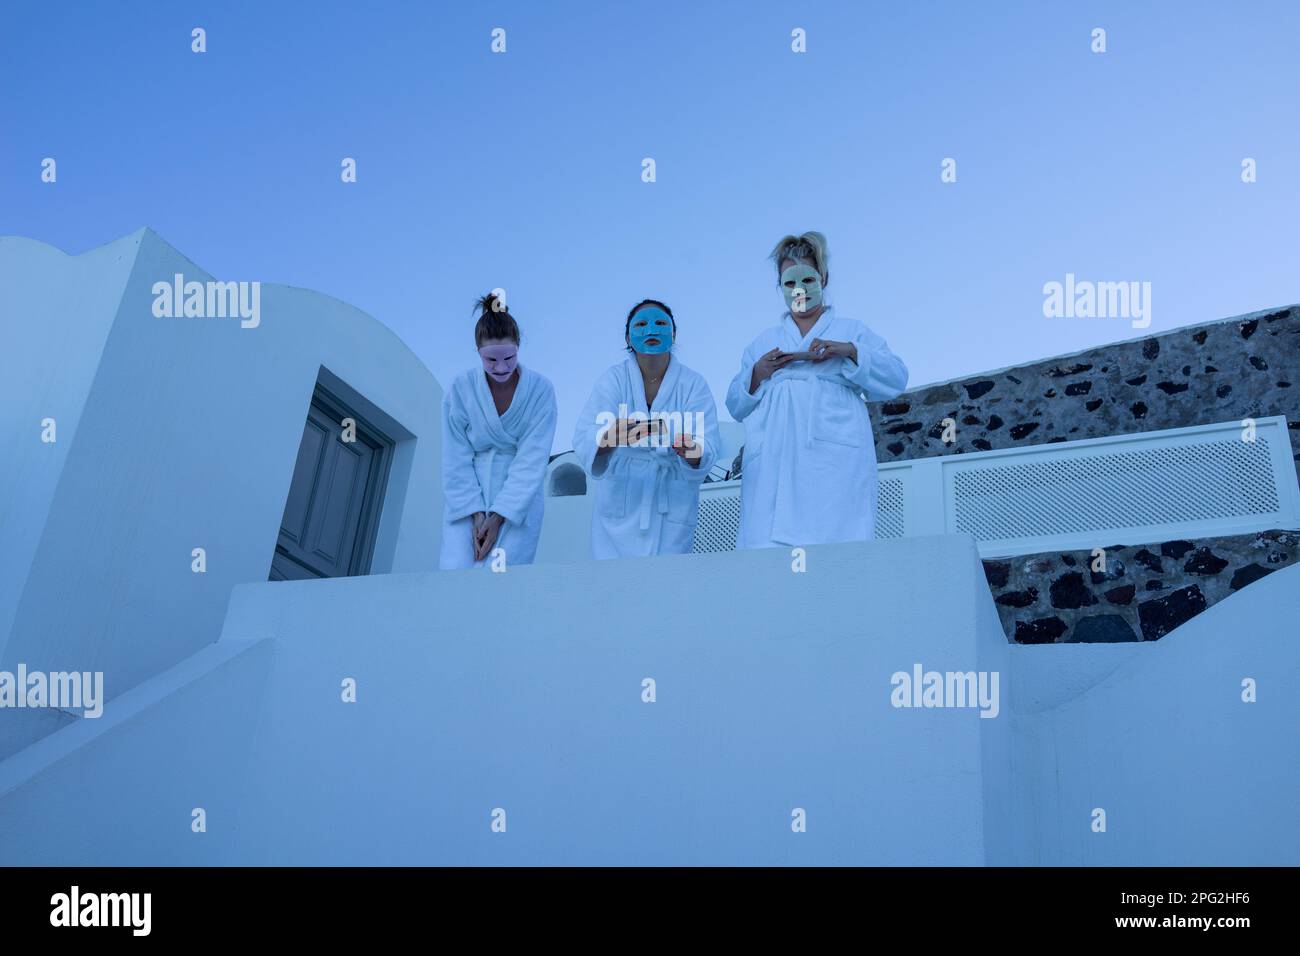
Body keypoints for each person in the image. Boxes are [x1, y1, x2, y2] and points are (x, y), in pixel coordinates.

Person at [725, 231, 907, 549]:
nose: (799, 290)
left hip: (832, 457)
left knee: (836, 546)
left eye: (807, 279)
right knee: (766, 552)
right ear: (779, 287)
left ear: (824, 277)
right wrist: (758, 373)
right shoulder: (761, 343)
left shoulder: (852, 331)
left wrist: (850, 351)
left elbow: (895, 378)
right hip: (773, 463)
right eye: (789, 282)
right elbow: (735, 406)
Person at [573, 299, 721, 559]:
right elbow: (586, 435)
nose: (651, 330)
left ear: (673, 334)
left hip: (670, 500)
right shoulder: (613, 379)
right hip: (621, 497)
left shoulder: (693, 384)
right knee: (613, 588)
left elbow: (707, 443)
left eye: (661, 323)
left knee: (668, 588)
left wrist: (691, 450)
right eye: (641, 324)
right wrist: (611, 437)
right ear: (629, 337)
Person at [439, 292, 557, 569]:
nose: (501, 367)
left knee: (503, 579)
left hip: (519, 497)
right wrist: (477, 513)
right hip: (467, 496)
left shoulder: (541, 390)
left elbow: (532, 458)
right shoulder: (461, 389)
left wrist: (499, 515)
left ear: (518, 346)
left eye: (509, 357)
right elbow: (455, 456)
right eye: (491, 360)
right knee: (456, 574)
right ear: (477, 352)